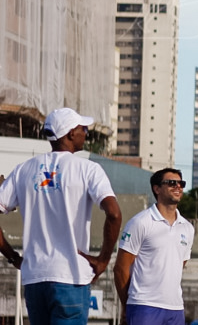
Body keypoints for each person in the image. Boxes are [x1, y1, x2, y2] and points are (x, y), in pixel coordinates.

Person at [0, 108, 123, 325]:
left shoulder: (23, 170)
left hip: (35, 278)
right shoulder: (88, 169)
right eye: (82, 128)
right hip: (71, 277)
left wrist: (13, 257)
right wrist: (103, 259)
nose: (86, 132)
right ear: (69, 134)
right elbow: (113, 213)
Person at [114, 168, 195, 325]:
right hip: (144, 306)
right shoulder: (140, 222)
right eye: (171, 183)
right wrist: (127, 304)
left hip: (175, 308)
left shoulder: (188, 228)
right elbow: (120, 268)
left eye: (181, 183)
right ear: (156, 189)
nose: (178, 187)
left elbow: (179, 264)